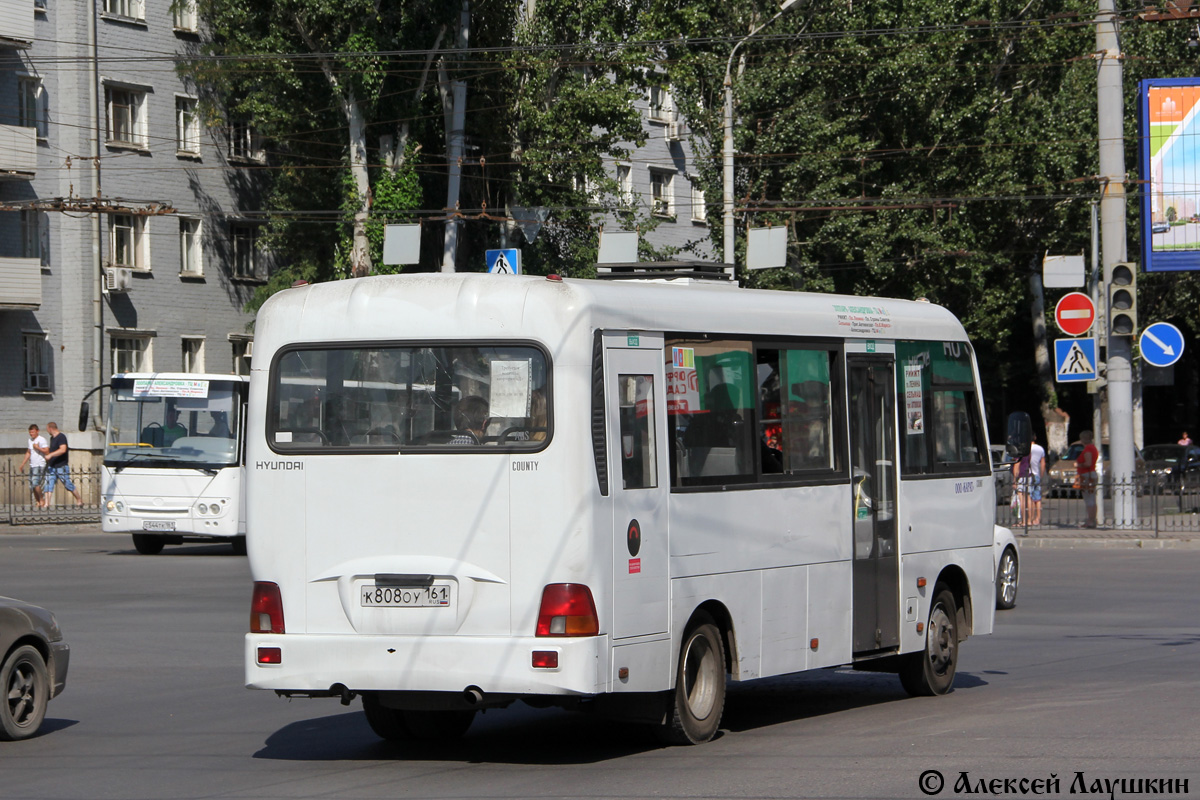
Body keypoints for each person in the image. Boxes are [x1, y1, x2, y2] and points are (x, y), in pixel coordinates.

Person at [41, 421, 84, 508]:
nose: (47, 431)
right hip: (52, 466)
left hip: (61, 465)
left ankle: (79, 499)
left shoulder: (61, 437)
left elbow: (63, 449)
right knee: (48, 483)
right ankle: (47, 503)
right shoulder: (52, 438)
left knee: (67, 484)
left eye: (47, 429)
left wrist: (51, 455)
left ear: (50, 428)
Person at [19, 424, 49, 509]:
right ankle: (38, 501)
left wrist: (38, 448)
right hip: (32, 464)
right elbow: (29, 452)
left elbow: (47, 451)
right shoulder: (30, 440)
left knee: (36, 483)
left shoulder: (41, 440)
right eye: (30, 432)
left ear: (37, 431)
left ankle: (41, 499)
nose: (31, 434)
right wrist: (23, 464)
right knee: (32, 484)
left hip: (39, 464)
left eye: (33, 432)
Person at [1076, 429, 1100, 529]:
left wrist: (1078, 464)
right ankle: (1092, 520)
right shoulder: (1093, 448)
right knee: (1092, 499)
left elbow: (1088, 463)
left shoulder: (1088, 449)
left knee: (1088, 499)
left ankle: (1090, 521)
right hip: (1091, 474)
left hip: (1086, 475)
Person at [1028, 435, 1046, 527]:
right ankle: (1038, 518)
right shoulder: (1040, 449)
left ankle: (1030, 518)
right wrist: (1041, 474)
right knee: (1037, 498)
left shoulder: (1026, 448)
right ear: (1035, 438)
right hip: (1037, 474)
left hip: (1029, 474)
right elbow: (1043, 463)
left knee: (1030, 497)